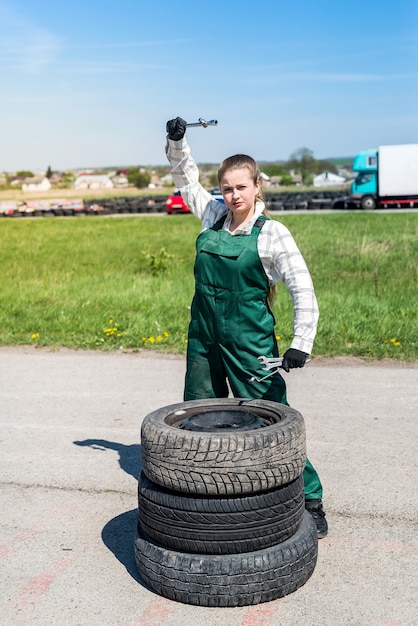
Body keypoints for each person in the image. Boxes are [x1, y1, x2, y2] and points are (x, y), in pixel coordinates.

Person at [165, 117, 328, 538]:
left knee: (274, 418)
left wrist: (300, 343)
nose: (233, 196)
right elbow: (186, 180)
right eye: (227, 188)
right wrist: (177, 142)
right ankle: (198, 493)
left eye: (241, 187)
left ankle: (310, 496)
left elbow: (302, 286)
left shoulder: (272, 233)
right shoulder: (213, 215)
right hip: (203, 336)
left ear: (257, 187)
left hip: (250, 339)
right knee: (196, 415)